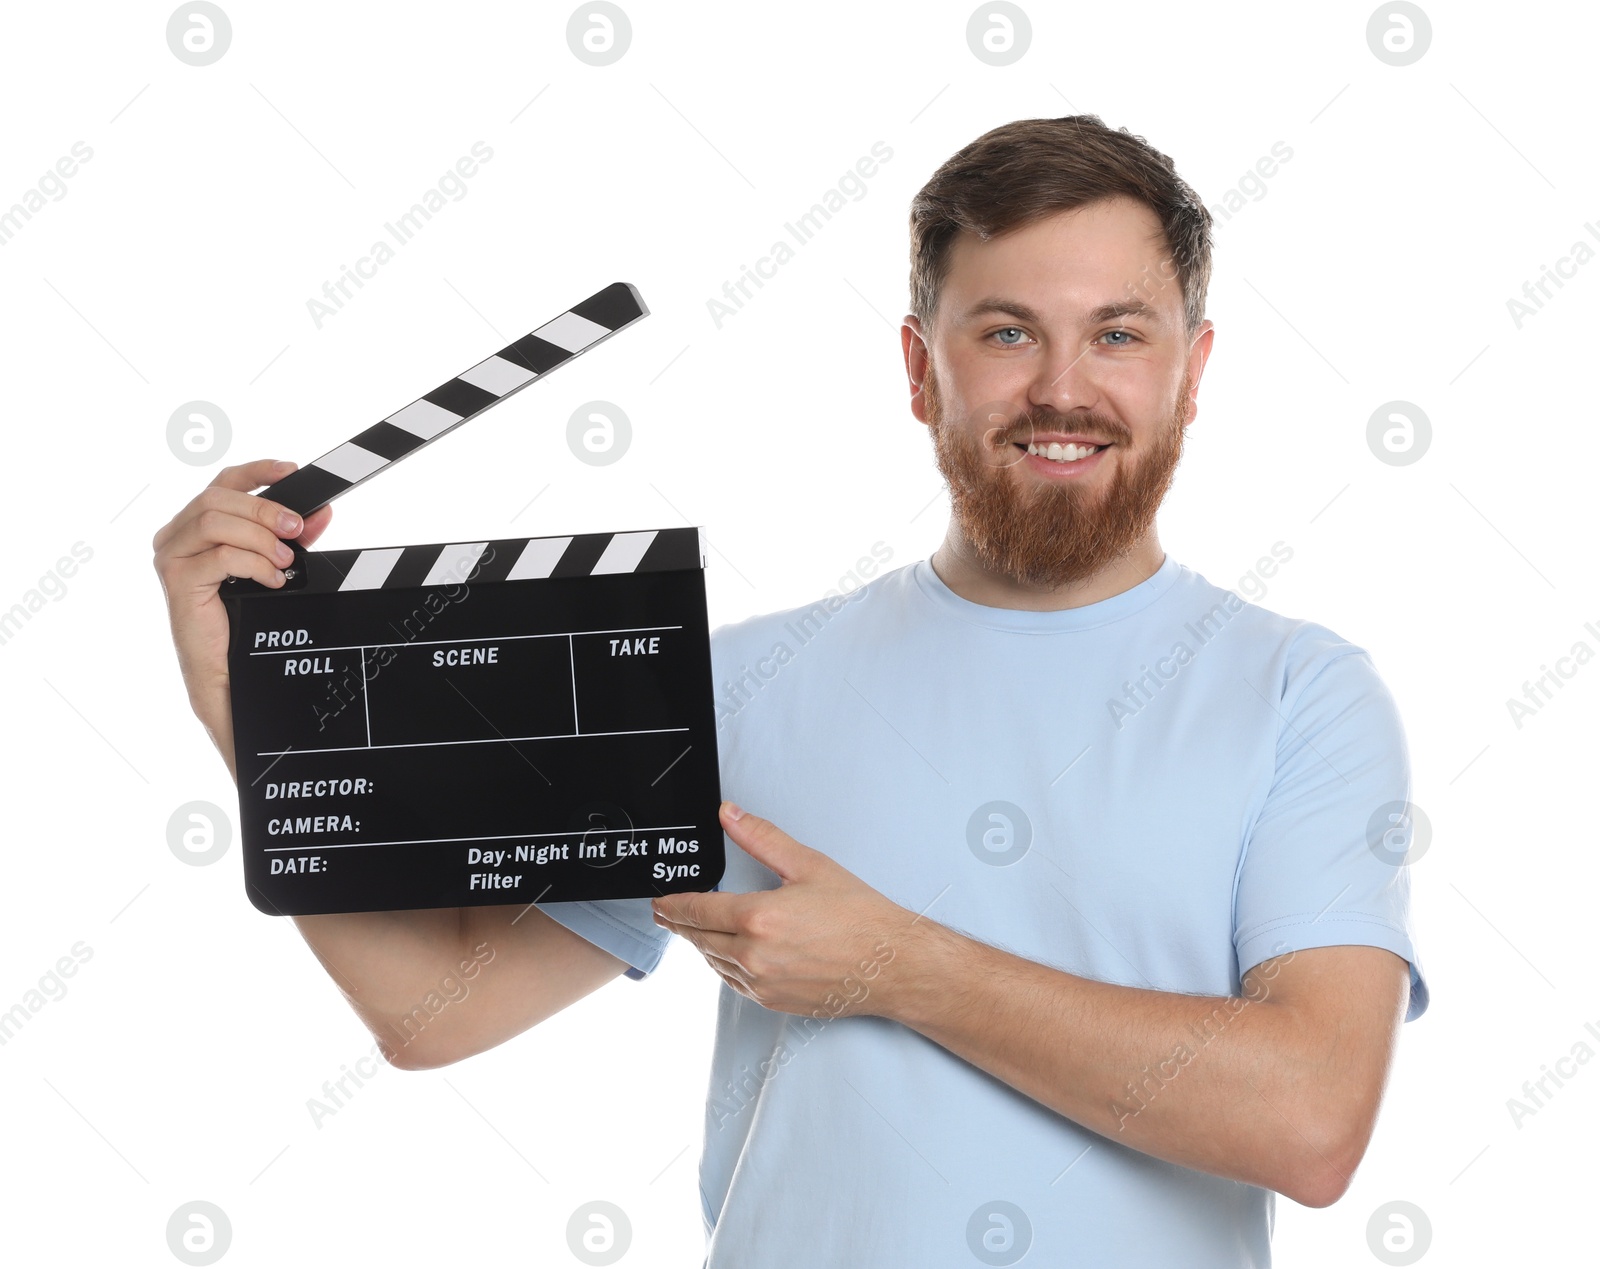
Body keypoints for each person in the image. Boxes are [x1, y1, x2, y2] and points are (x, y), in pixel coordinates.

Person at [153, 114, 1428, 1267]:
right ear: (921, 369)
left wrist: (898, 967)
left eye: (1117, 334)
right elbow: (437, 1010)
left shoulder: (1299, 697)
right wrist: (243, 699)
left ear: (1191, 372)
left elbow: (1310, 1121)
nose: (1060, 388)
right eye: (1004, 332)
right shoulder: (741, 682)